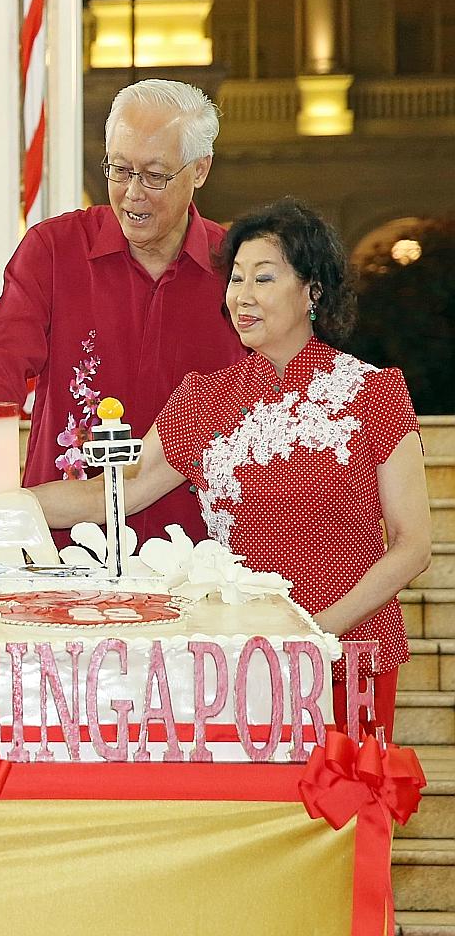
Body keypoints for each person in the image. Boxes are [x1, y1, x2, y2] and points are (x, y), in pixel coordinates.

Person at [30, 199, 431, 738]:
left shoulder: (374, 393)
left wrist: (312, 634)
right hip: (242, 662)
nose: (242, 295)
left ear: (313, 289)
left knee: (342, 811)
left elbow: (412, 546)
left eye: (263, 278)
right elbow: (113, 494)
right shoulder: (205, 400)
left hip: (344, 652)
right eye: (236, 278)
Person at [0, 78, 243, 545]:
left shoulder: (238, 267)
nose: (132, 193)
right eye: (120, 169)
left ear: (201, 169)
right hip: (66, 542)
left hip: (203, 551)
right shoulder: (54, 249)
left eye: (154, 175)